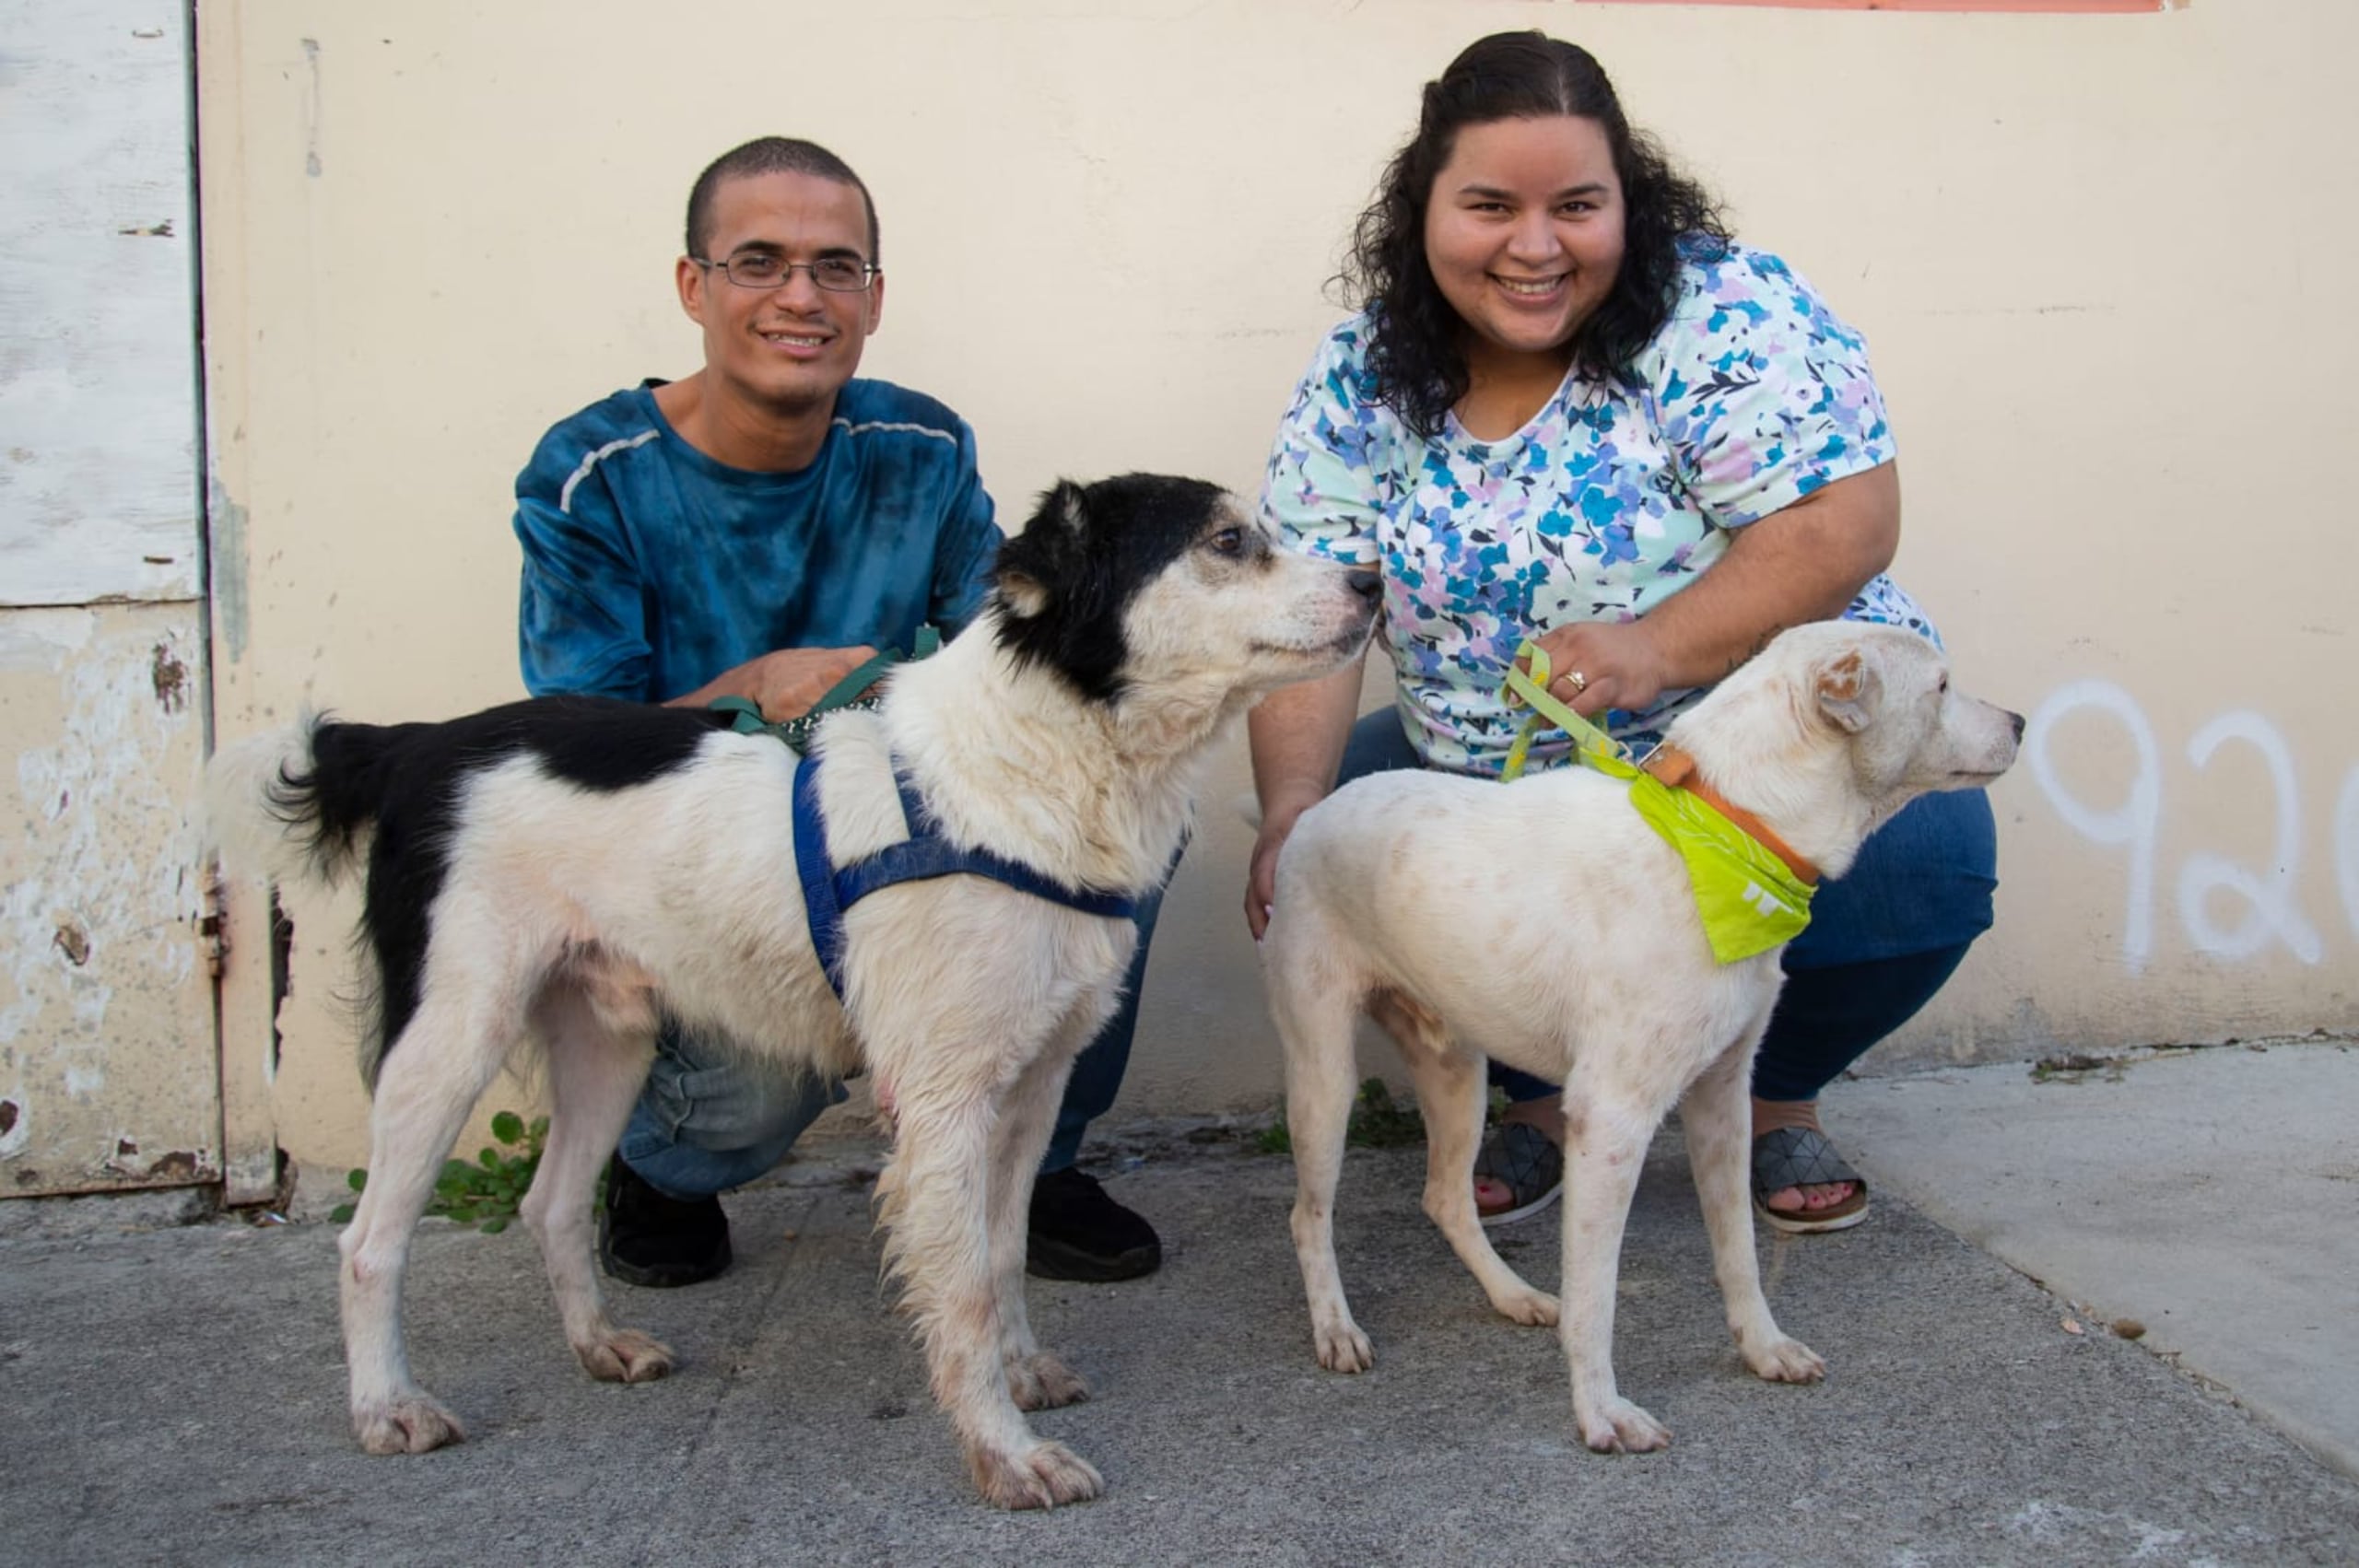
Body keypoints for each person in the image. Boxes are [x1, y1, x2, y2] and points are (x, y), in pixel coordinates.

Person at [1244, 32, 1998, 1235]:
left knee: (1927, 854)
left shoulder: (1723, 311)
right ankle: (1547, 1095)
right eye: (1489, 204)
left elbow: (1844, 520)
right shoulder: (1361, 376)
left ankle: (1767, 1089)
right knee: (1363, 820)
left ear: (1626, 204)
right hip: (1507, 784)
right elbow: (1314, 615)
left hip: (1755, 763)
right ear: (1423, 205)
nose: (1535, 246)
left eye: (1576, 206)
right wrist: (1293, 803)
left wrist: (1655, 646)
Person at [511, 136, 1161, 1286]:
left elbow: (1006, 663)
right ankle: (660, 1163)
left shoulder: (918, 445)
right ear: (692, 285)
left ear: (873, 297)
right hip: (707, 876)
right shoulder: (592, 473)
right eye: (758, 262)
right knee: (755, 1092)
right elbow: (578, 748)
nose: (800, 297)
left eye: (836, 267)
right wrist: (744, 694)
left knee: (1119, 824)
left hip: (891, 834)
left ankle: (1029, 1157)